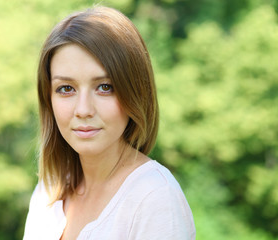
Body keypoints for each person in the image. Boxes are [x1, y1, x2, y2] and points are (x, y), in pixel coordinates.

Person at [23, 6, 195, 240]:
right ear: (48, 98)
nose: (83, 110)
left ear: (135, 92)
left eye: (104, 87)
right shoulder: (49, 191)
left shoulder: (154, 197)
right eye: (66, 89)